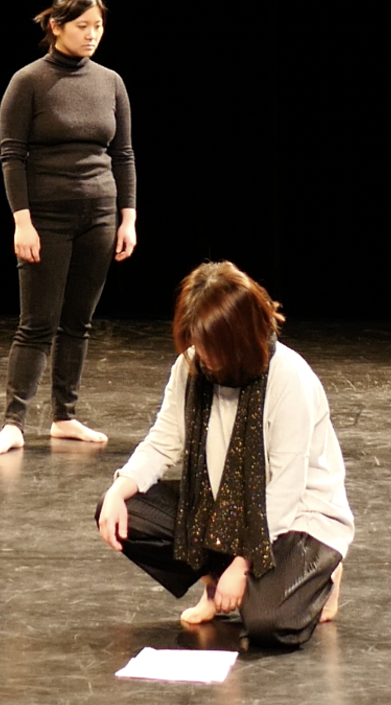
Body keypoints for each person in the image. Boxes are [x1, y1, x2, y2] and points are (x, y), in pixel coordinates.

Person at [96, 262, 350, 647]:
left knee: (268, 623)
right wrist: (118, 490)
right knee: (124, 512)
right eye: (198, 342)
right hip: (226, 509)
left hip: (298, 518)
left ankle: (322, 572)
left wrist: (243, 564)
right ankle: (217, 583)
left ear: (240, 338)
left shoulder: (289, 378)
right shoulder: (192, 367)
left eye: (212, 345)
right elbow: (163, 441)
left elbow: (286, 489)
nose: (203, 355)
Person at [0, 0, 137, 454]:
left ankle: (64, 416)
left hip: (100, 214)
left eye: (98, 26)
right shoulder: (28, 81)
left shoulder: (110, 82)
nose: (92, 35)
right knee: (37, 323)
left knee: (78, 322)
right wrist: (22, 221)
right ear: (56, 26)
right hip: (46, 217)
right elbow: (12, 155)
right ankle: (14, 423)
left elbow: (123, 154)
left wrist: (128, 217)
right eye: (82, 26)